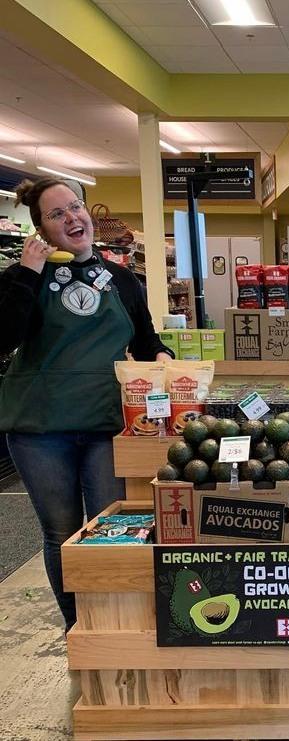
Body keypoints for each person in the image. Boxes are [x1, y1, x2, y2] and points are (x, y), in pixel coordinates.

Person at [0, 178, 173, 631]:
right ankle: (79, 629)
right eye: (57, 214)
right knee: (61, 533)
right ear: (40, 228)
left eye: (76, 208)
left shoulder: (121, 279)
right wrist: (25, 275)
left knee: (111, 529)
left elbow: (146, 338)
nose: (73, 218)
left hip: (105, 422)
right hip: (40, 427)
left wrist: (163, 359)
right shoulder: (22, 278)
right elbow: (4, 338)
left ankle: (115, 625)